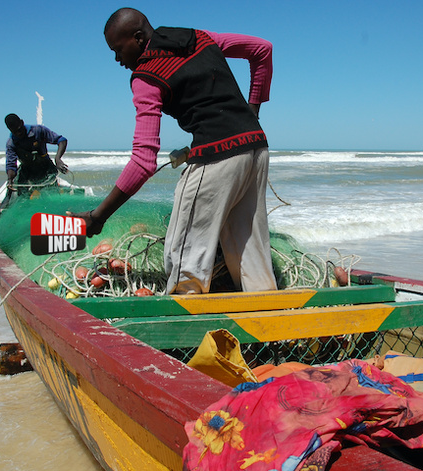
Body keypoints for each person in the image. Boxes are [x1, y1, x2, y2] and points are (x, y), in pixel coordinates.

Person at [71, 7, 277, 294]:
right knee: (250, 252)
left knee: (184, 258)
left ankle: (182, 331)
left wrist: (99, 216)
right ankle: (267, 324)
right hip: (256, 148)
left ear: (139, 38)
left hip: (217, 157)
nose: (117, 60)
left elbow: (143, 162)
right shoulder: (201, 37)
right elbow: (262, 50)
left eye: (118, 50)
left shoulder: (146, 77)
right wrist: (252, 110)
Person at [4, 113, 69, 193]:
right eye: (15, 132)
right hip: (27, 170)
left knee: (50, 193)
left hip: (45, 168)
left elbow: (62, 140)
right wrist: (10, 179)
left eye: (19, 129)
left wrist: (58, 159)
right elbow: (11, 165)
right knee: (20, 194)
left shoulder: (38, 131)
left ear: (22, 122)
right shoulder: (11, 143)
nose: (18, 133)